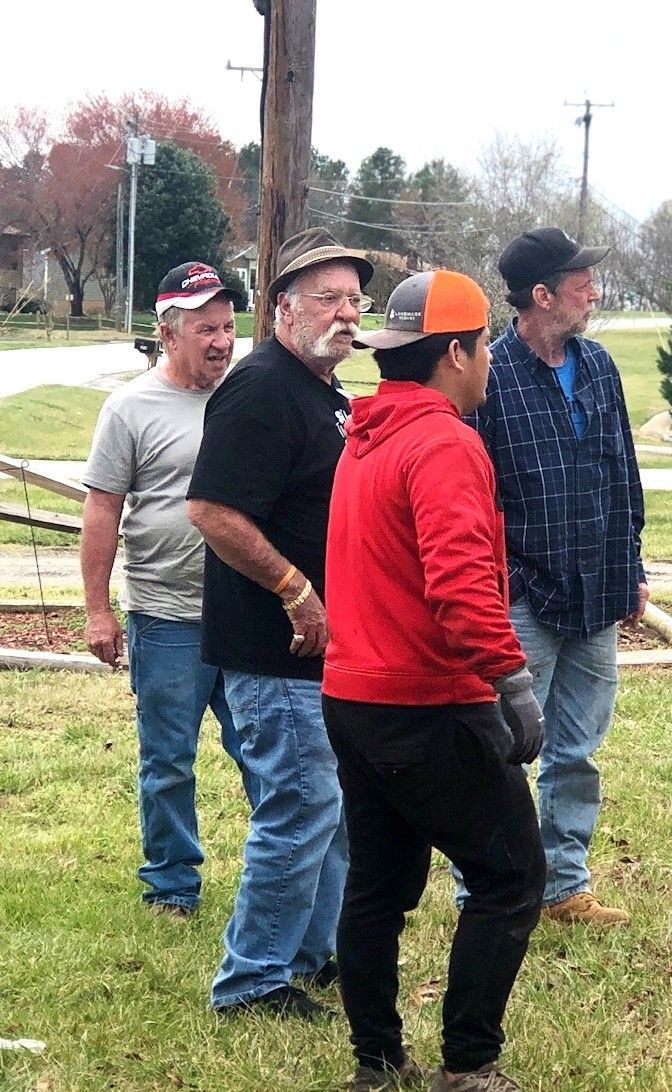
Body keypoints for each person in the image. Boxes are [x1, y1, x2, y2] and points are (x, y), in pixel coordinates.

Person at [322, 270, 547, 1092]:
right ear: (455, 352)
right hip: (423, 702)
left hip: (352, 696)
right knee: (512, 874)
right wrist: (511, 681)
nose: (490, 360)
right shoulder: (446, 441)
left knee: (377, 887)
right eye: (485, 344)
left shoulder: (366, 435)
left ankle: (376, 1065)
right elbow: (458, 588)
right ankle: (469, 1066)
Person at [186, 229, 374, 1017]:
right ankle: (252, 981)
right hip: (273, 651)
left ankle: (310, 951)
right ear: (282, 308)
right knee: (297, 810)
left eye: (353, 300)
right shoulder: (260, 386)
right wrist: (296, 587)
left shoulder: (320, 391)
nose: (344, 314)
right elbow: (211, 510)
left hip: (321, 657)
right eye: (326, 298)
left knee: (324, 809)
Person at [467, 227, 649, 927]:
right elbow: (476, 494)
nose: (593, 294)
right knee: (503, 748)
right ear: (541, 296)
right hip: (525, 598)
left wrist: (630, 567)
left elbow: (621, 471)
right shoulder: (490, 373)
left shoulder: (598, 365)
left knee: (578, 750)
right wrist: (503, 582)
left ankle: (564, 885)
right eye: (581, 285)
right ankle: (486, 890)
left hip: (598, 591)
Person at [81, 261, 256, 916]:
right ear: (169, 333)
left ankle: (284, 869)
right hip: (166, 618)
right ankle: (173, 882)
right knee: (169, 762)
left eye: (227, 326)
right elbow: (102, 510)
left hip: (248, 614)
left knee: (267, 758)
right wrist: (99, 610)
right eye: (206, 328)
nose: (221, 340)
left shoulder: (247, 393)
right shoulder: (129, 407)